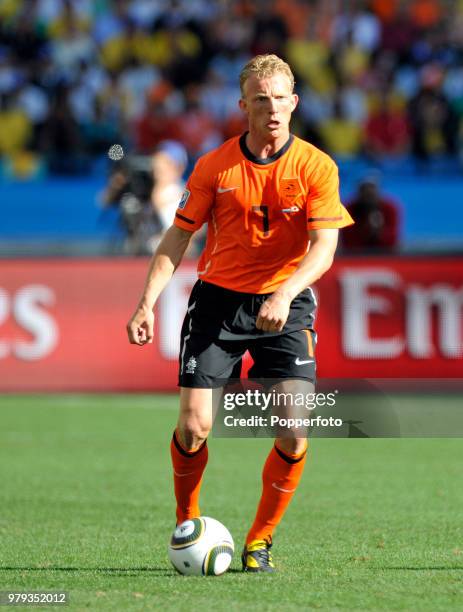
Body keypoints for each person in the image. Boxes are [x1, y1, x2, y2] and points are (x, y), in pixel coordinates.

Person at [127, 54, 354, 572]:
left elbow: (325, 248)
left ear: (294, 103)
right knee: (194, 427)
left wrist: (284, 293)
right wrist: (146, 302)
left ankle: (259, 542)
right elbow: (178, 237)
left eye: (280, 98)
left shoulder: (317, 166)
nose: (271, 109)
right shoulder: (215, 166)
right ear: (243, 105)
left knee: (295, 430)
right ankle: (189, 520)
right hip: (218, 303)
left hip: (287, 304)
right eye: (260, 99)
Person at [342, 175, 400, 251]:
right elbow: (348, 242)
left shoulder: (389, 208)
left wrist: (379, 232)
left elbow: (392, 241)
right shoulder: (349, 209)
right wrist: (367, 230)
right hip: (355, 255)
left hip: (385, 255)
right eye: (365, 192)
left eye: (371, 193)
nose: (369, 197)